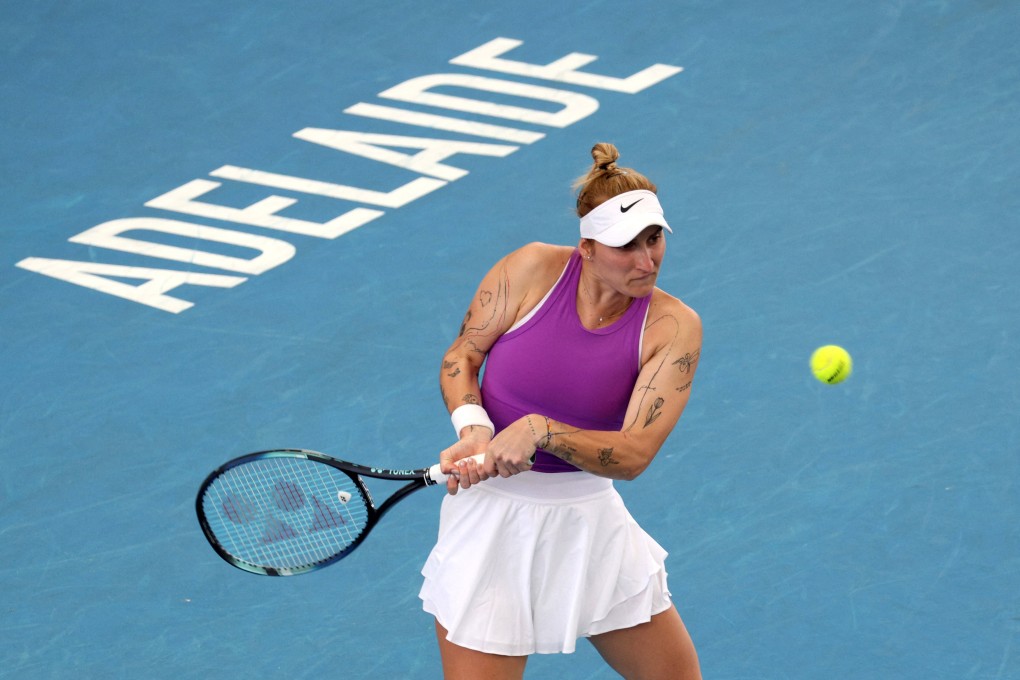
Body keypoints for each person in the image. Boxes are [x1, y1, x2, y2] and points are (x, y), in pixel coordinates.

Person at [419, 142, 703, 680]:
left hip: (590, 524)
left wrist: (540, 432)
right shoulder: (529, 269)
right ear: (588, 248)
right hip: (491, 524)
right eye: (626, 246)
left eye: (654, 238)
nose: (647, 261)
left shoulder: (673, 327)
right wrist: (474, 426)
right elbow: (463, 354)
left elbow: (634, 454)